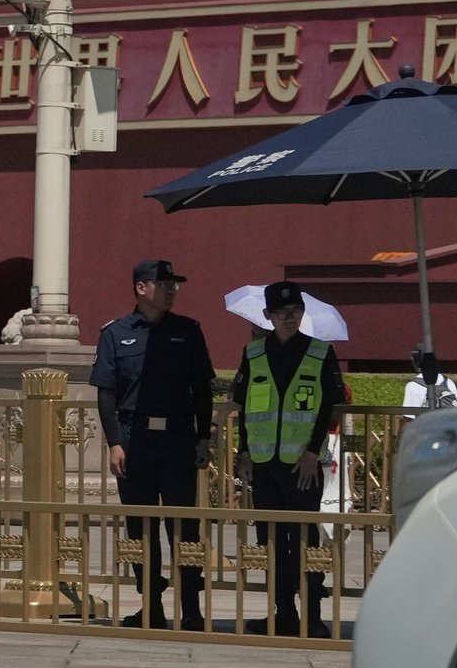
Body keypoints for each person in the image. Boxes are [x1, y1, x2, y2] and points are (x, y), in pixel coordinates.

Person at [90, 259, 214, 631]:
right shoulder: (116, 333)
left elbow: (203, 390)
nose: (171, 290)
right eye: (163, 284)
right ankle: (152, 606)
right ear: (141, 288)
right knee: (140, 527)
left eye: (174, 284)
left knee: (185, 527)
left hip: (178, 440)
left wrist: (203, 437)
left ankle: (191, 609)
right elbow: (106, 394)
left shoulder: (188, 331)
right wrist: (115, 442)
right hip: (135, 442)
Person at [232, 281, 349, 638]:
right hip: (265, 465)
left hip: (303, 464)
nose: (290, 318)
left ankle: (312, 617)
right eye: (282, 313)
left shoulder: (319, 352)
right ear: (267, 316)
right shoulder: (253, 353)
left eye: (296, 312)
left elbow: (330, 406)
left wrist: (314, 451)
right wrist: (244, 451)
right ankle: (282, 613)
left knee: (304, 541)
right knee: (270, 540)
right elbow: (247, 407)